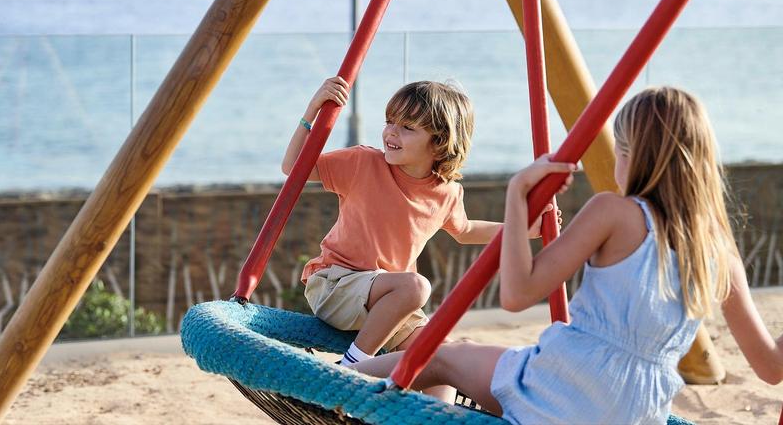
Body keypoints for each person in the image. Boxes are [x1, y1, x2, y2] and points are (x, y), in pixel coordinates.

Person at [353, 86, 783, 424]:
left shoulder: (615, 212)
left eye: (619, 151)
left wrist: (518, 195)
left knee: (444, 355)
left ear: (632, 156)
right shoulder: (719, 251)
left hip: (563, 386)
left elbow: (517, 295)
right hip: (639, 411)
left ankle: (336, 382)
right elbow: (770, 367)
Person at [283, 77, 550, 384]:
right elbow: (294, 167)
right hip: (336, 285)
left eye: (407, 127)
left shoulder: (446, 192)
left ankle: (441, 411)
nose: (391, 132)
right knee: (416, 287)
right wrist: (313, 110)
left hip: (388, 302)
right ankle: (351, 367)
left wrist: (525, 229)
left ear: (439, 142)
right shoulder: (363, 162)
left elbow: (465, 230)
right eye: (389, 122)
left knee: (441, 355)